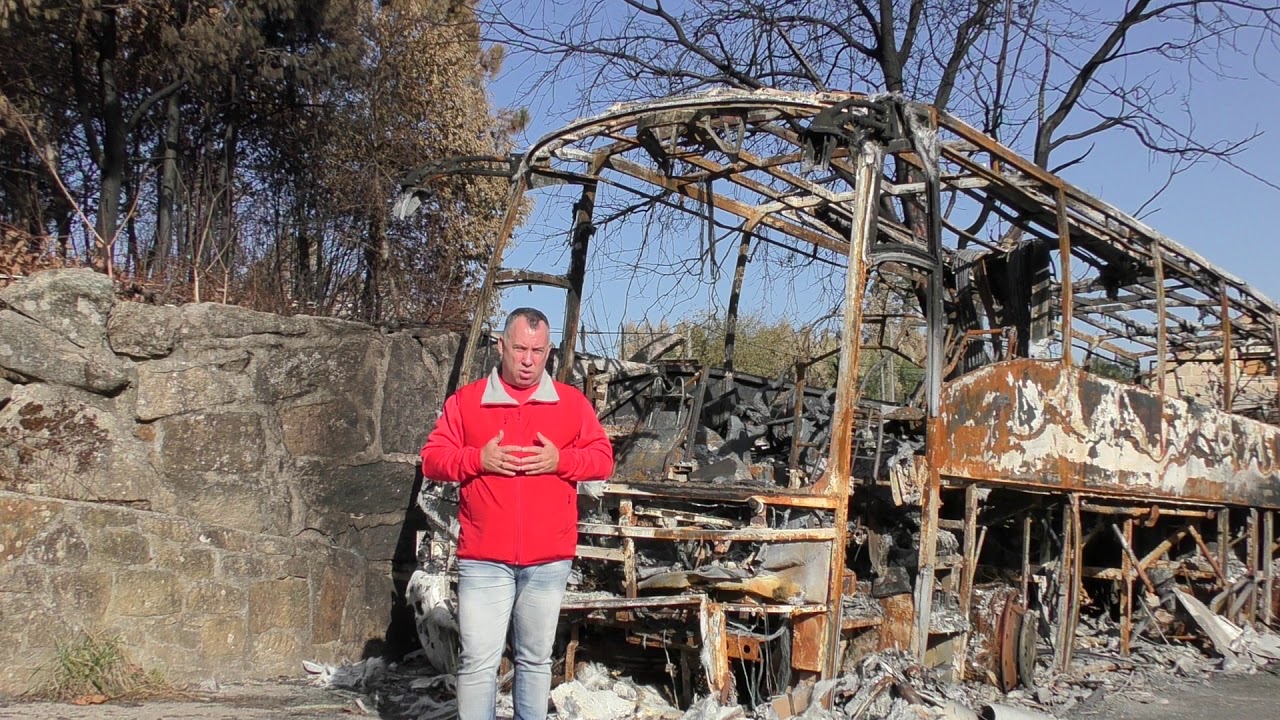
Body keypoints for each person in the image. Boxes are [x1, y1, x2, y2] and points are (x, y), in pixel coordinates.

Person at [420, 307, 614, 720]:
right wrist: (477, 458)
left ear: (549, 352)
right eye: (520, 348)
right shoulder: (467, 402)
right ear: (501, 346)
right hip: (484, 558)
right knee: (477, 663)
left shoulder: (571, 403)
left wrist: (561, 460)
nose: (528, 360)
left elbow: (602, 459)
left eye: (538, 351)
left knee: (535, 661)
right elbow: (432, 459)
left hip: (548, 559)